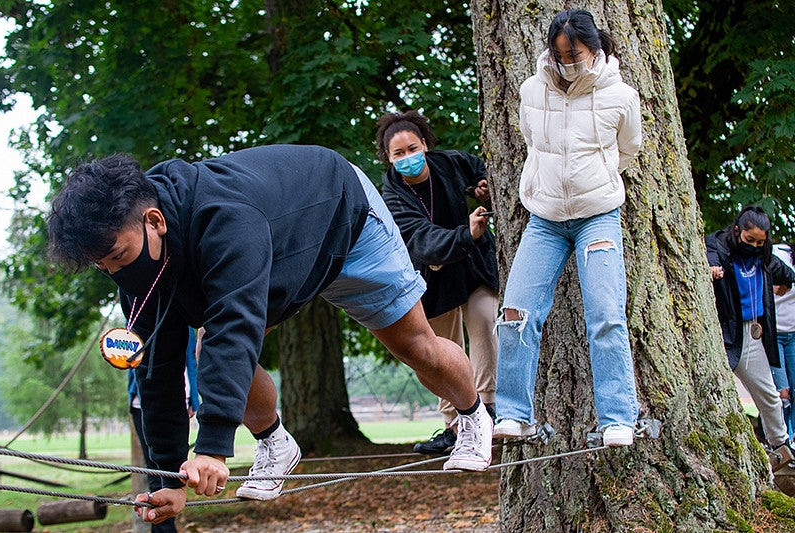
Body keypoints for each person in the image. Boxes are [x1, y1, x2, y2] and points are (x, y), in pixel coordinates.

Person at [46, 145, 493, 525]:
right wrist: (169, 478)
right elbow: (157, 371)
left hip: (341, 214)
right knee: (205, 351)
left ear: (155, 220)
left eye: (118, 256)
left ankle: (473, 416)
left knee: (414, 345)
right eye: (103, 267)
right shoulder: (136, 271)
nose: (116, 272)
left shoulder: (223, 220)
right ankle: (275, 442)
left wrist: (213, 449)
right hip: (280, 254)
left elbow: (235, 329)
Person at [493, 9, 641, 446]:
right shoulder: (531, 90)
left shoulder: (621, 96)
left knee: (605, 315)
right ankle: (515, 414)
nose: (567, 63)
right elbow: (530, 139)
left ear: (594, 51)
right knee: (516, 313)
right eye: (559, 55)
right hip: (544, 220)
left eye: (574, 55)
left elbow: (628, 150)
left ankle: (617, 418)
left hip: (598, 216)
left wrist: (597, 177)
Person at [377, 110, 499, 455]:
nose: (408, 158)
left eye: (412, 149)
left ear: (425, 145)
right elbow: (420, 239)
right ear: (388, 157)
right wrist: (468, 233)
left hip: (473, 264)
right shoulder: (392, 197)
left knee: (485, 318)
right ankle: (454, 423)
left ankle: (487, 404)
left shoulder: (448, 162)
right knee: (439, 349)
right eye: (398, 154)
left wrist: (482, 186)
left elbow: (480, 168)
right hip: (432, 274)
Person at [705, 206, 795, 471]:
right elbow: (710, 254)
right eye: (749, 240)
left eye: (760, 241)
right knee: (714, 391)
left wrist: (784, 285)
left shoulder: (764, 257)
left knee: (769, 393)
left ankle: (781, 451)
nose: (754, 246)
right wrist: (711, 270)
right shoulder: (720, 246)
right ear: (737, 230)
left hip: (753, 333)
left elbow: (787, 274)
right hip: (724, 333)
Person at [127, 328, 199, 533]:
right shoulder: (139, 308)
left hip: (179, 401)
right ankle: (164, 529)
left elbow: (191, 360)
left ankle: (165, 527)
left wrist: (194, 396)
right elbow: (129, 354)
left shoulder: (187, 319)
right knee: (155, 469)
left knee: (175, 471)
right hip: (143, 403)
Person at [772, 242, 795, 439]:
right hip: (774, 334)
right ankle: (781, 441)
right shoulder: (778, 253)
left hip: (794, 335)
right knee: (782, 392)